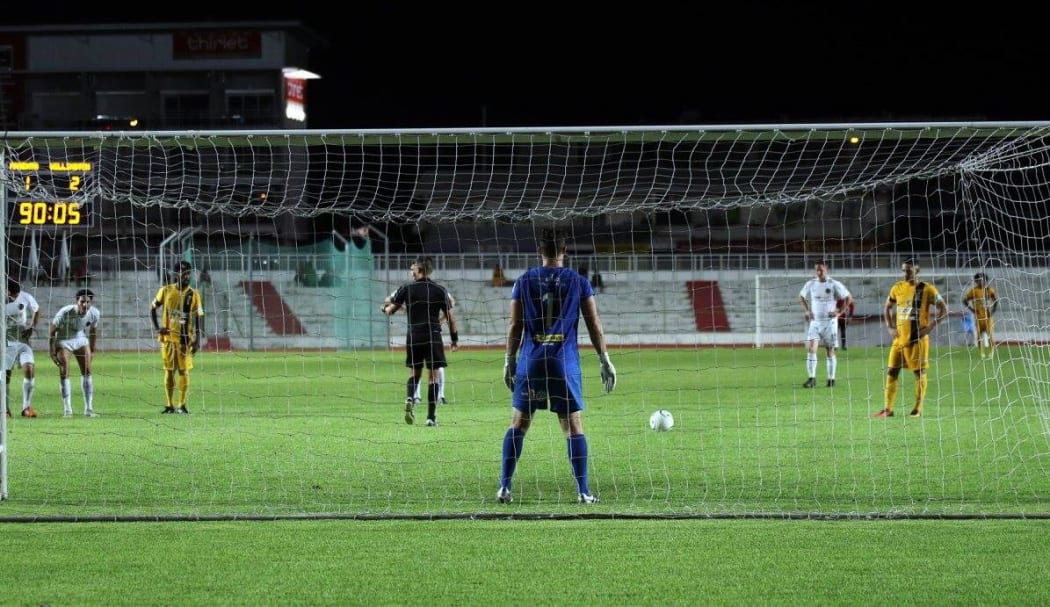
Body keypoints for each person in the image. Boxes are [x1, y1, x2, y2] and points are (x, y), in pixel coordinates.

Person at [497, 229, 616, 505]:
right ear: (565, 251)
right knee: (573, 425)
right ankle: (583, 492)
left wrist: (508, 360)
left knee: (519, 423)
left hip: (532, 361)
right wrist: (604, 358)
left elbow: (515, 325)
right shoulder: (579, 281)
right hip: (564, 363)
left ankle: (504, 487)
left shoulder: (524, 281)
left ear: (540, 251)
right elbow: (594, 324)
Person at [381, 256, 458, 427]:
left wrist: (384, 309)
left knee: (415, 373)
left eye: (413, 268)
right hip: (433, 336)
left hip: (414, 336)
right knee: (433, 377)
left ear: (420, 269)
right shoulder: (439, 290)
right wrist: (454, 339)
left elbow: (391, 310)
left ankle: (410, 397)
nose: (411, 271)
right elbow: (451, 317)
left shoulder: (407, 288)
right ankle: (431, 418)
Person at [873, 259, 948, 419]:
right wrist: (890, 327)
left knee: (919, 373)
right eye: (903, 270)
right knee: (892, 371)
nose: (905, 273)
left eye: (908, 270)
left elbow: (944, 308)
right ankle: (888, 409)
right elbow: (887, 307)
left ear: (917, 270)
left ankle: (917, 409)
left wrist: (930, 327)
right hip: (899, 339)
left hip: (917, 340)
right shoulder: (897, 287)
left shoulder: (927, 289)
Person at [150, 260, 204, 414]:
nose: (186, 276)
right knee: (168, 371)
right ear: (176, 274)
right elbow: (153, 308)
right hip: (167, 339)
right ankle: (169, 405)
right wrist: (157, 328)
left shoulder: (194, 294)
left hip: (184, 340)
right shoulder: (165, 290)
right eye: (183, 272)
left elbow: (199, 316)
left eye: (188, 272)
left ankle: (182, 405)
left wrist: (198, 339)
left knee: (184, 371)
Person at [798, 261, 853, 388]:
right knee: (812, 349)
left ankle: (831, 379)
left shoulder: (834, 284)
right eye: (817, 270)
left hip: (830, 323)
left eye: (821, 270)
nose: (819, 272)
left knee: (830, 351)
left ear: (826, 269)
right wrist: (807, 310)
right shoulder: (811, 284)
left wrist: (839, 312)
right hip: (815, 322)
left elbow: (849, 298)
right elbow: (801, 297)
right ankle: (812, 378)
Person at [49, 288, 101, 417]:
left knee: (87, 372)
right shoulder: (65, 312)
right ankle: (67, 410)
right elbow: (52, 331)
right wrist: (52, 351)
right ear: (77, 301)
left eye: (88, 302)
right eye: (82, 301)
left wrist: (92, 349)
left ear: (91, 303)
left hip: (80, 339)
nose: (85, 305)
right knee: (64, 371)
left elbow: (93, 332)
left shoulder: (94, 313)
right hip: (63, 340)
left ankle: (88, 409)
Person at [4, 279, 41, 418]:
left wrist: (32, 326)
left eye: (16, 294)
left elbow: (37, 310)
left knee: (29, 369)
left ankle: (26, 408)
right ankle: (5, 410)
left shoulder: (25, 297)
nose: (14, 297)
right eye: (12, 294)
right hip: (5, 342)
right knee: (5, 376)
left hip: (22, 341)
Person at [411, 294, 456, 405]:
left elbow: (452, 302)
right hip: (419, 333)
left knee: (437, 367)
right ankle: (416, 396)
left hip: (433, 334)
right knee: (417, 366)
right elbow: (390, 299)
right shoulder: (414, 292)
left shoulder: (438, 292)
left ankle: (440, 396)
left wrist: (439, 320)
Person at [963, 272, 999, 359]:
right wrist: (972, 309)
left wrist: (993, 311)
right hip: (978, 317)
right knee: (979, 336)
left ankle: (991, 352)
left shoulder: (989, 290)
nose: (980, 282)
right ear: (976, 281)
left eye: (982, 280)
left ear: (986, 281)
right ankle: (981, 353)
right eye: (978, 280)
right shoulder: (973, 291)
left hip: (988, 317)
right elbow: (964, 300)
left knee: (990, 335)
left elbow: (996, 300)